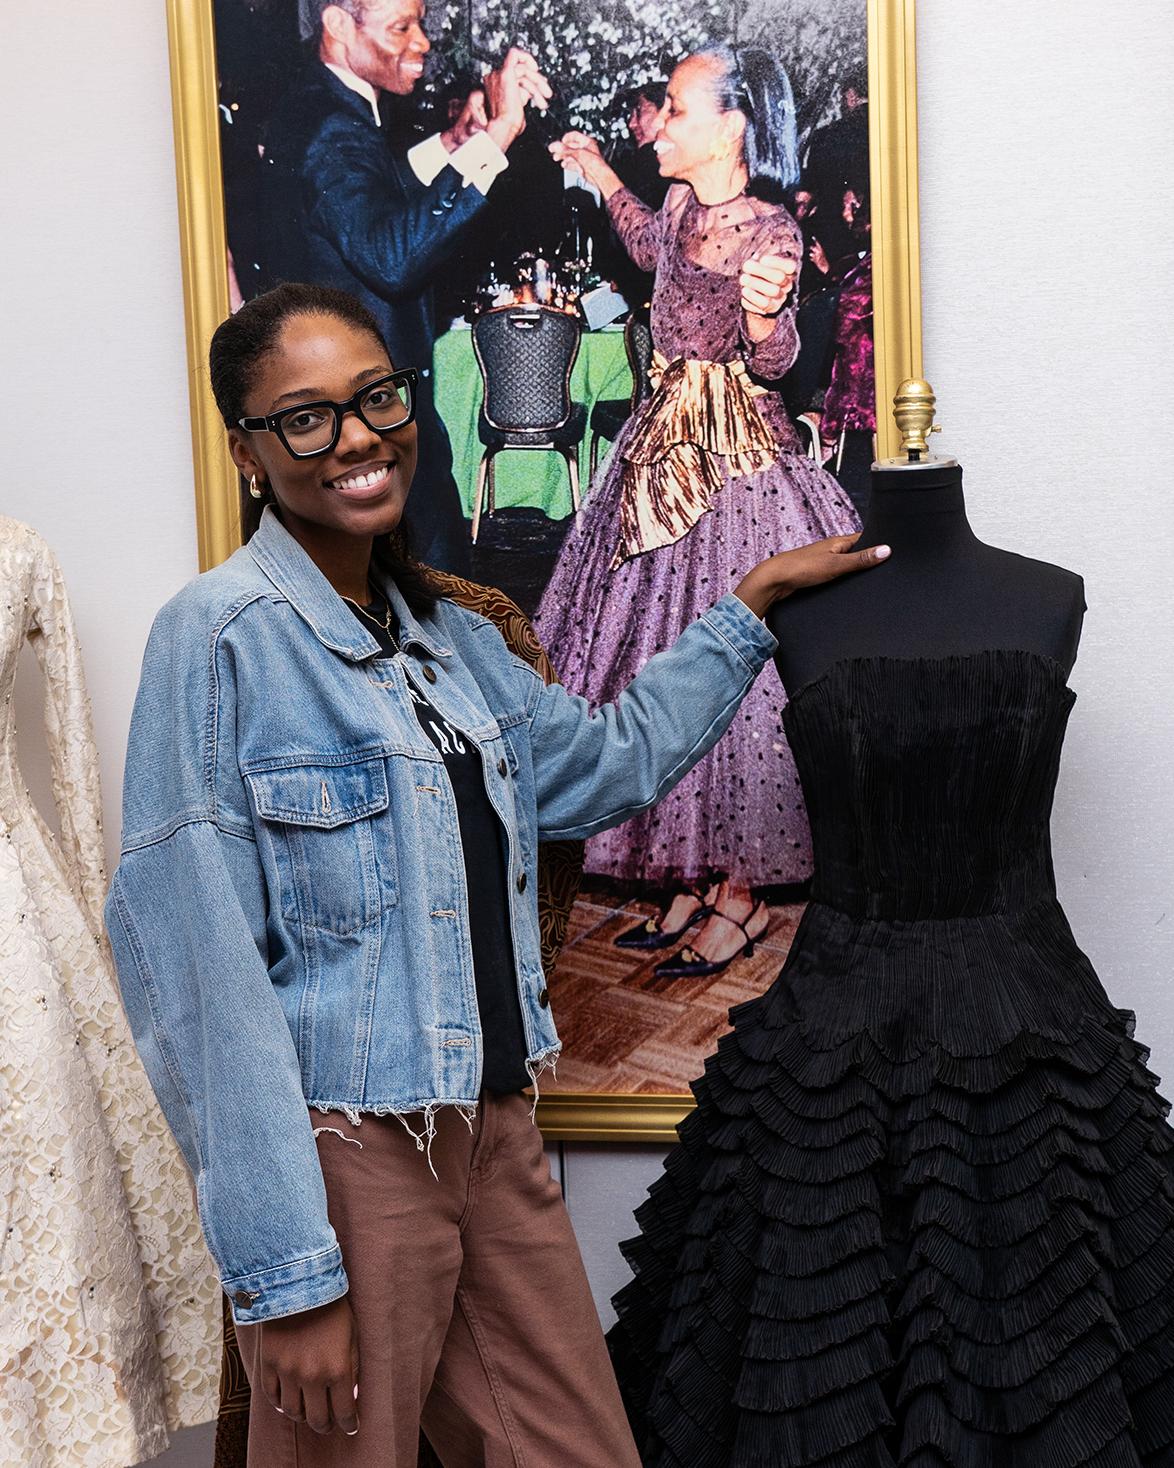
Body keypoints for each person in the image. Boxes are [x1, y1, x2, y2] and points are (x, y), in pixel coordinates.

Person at [104, 281, 888, 1466]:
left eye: (375, 398)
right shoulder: (216, 637)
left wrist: (747, 607)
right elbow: (198, 974)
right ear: (248, 453)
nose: (357, 436)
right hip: (352, 1157)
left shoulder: (455, 640)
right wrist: (288, 1277)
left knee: (574, 1448)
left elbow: (605, 766)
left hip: (493, 1134)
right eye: (306, 418)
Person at [534, 46, 862, 979]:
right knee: (655, 651)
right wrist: (601, 175)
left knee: (741, 676)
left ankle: (744, 897)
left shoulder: (769, 230)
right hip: (654, 445)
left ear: (729, 128)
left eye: (674, 110)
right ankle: (693, 868)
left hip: (735, 466)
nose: (659, 126)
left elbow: (775, 357)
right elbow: (648, 246)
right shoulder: (680, 204)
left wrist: (767, 319)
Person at [258, 0, 552, 573]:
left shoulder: (322, 108)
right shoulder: (332, 126)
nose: (422, 42)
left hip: (345, 405)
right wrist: (500, 132)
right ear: (339, 26)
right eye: (401, 27)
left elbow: (364, 202)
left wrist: (457, 141)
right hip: (369, 414)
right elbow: (392, 254)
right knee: (441, 587)